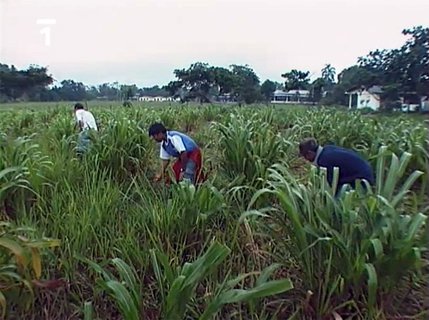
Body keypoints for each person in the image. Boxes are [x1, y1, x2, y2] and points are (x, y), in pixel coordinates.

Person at [299, 138, 374, 194]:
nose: (306, 160)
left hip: (363, 181)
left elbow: (333, 185)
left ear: (309, 153)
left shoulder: (324, 160)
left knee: (336, 201)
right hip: (366, 172)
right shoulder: (327, 149)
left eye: (305, 157)